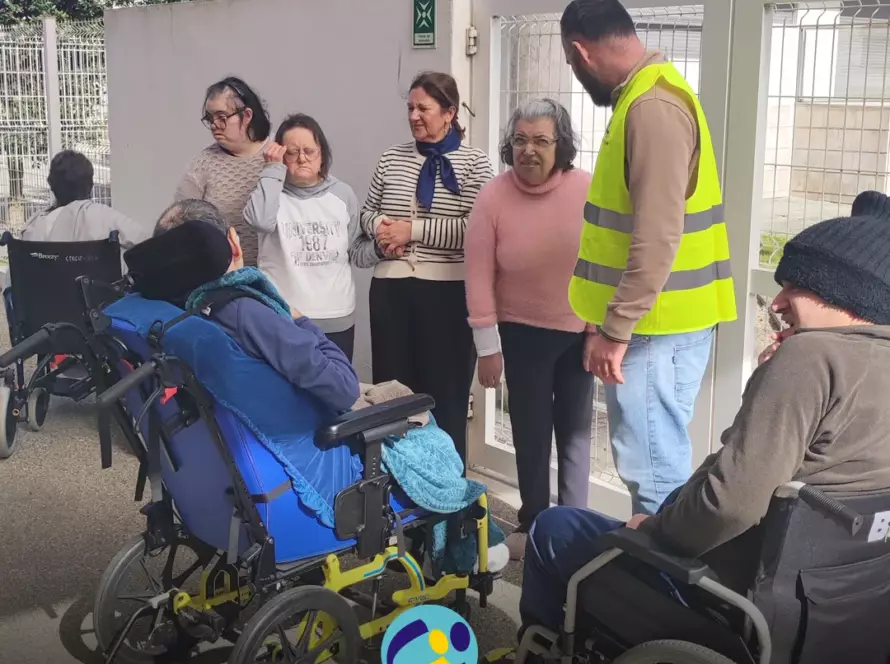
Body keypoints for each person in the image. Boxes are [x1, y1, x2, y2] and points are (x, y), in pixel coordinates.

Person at [517, 191, 890, 642]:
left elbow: (728, 504)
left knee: (554, 527)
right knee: (675, 493)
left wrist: (651, 532)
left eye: (797, 285)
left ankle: (539, 648)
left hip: (727, 604)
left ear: (842, 291)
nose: (777, 302)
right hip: (833, 616)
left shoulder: (811, 358)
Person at [561, 0, 737, 515]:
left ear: (580, 52)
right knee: (655, 461)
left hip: (652, 328)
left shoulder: (651, 109)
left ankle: (658, 587)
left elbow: (658, 234)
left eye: (571, 64)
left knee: (653, 473)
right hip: (659, 321)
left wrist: (616, 329)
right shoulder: (646, 95)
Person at [465, 99, 593, 560]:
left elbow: (603, 264)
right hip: (521, 334)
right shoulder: (493, 196)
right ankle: (536, 523)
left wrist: (598, 328)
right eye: (520, 139)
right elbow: (478, 274)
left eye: (541, 140)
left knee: (576, 435)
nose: (528, 150)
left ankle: (577, 526)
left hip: (579, 332)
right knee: (532, 434)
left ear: (562, 145)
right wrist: (486, 346)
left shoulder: (587, 189)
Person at [361, 71, 494, 464]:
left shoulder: (474, 163)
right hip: (391, 291)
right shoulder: (391, 157)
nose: (414, 116)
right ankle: (398, 490)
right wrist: (382, 229)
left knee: (445, 398)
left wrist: (412, 230)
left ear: (449, 112)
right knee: (393, 398)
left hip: (447, 295)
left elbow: (476, 230)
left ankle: (449, 496)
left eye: (424, 108)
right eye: (410, 108)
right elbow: (367, 213)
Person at [153, 199, 359, 413]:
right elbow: (344, 389)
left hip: (210, 436)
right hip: (294, 438)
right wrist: (301, 321)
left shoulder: (168, 309)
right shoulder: (245, 314)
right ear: (233, 242)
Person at [243, 113, 377, 361]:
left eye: (309, 151)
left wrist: (380, 248)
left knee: (336, 393)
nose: (302, 158)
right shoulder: (270, 192)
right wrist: (272, 169)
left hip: (336, 317)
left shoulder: (342, 194)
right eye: (292, 152)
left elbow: (356, 253)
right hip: (283, 315)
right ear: (280, 155)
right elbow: (260, 221)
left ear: (322, 154)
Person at [5, 150, 146, 288]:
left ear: (51, 186)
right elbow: (148, 244)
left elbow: (11, 284)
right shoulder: (105, 217)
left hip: (39, 309)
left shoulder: (31, 226)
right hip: (99, 308)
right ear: (90, 186)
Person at [174, 76, 271, 267]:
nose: (214, 124)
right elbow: (179, 225)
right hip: (224, 276)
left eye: (222, 117)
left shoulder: (278, 153)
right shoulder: (201, 166)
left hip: (277, 278)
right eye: (210, 118)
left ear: (248, 115)